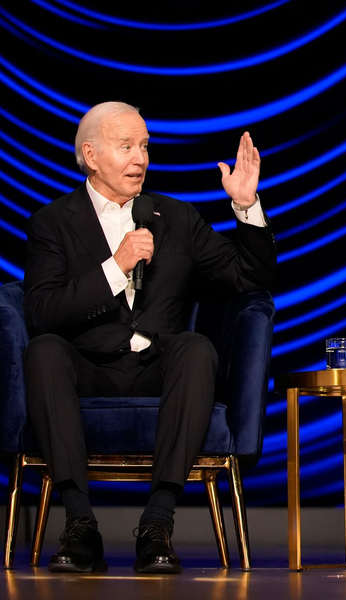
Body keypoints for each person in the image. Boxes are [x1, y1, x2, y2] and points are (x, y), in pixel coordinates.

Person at [23, 102, 277, 574]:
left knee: (197, 348)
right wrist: (114, 267)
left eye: (144, 146)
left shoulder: (177, 218)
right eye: (126, 147)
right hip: (87, 372)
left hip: (159, 372)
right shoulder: (52, 223)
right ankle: (80, 525)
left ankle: (157, 524)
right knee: (43, 350)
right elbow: (40, 312)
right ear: (91, 155)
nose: (140, 157)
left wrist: (245, 204)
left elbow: (251, 275)